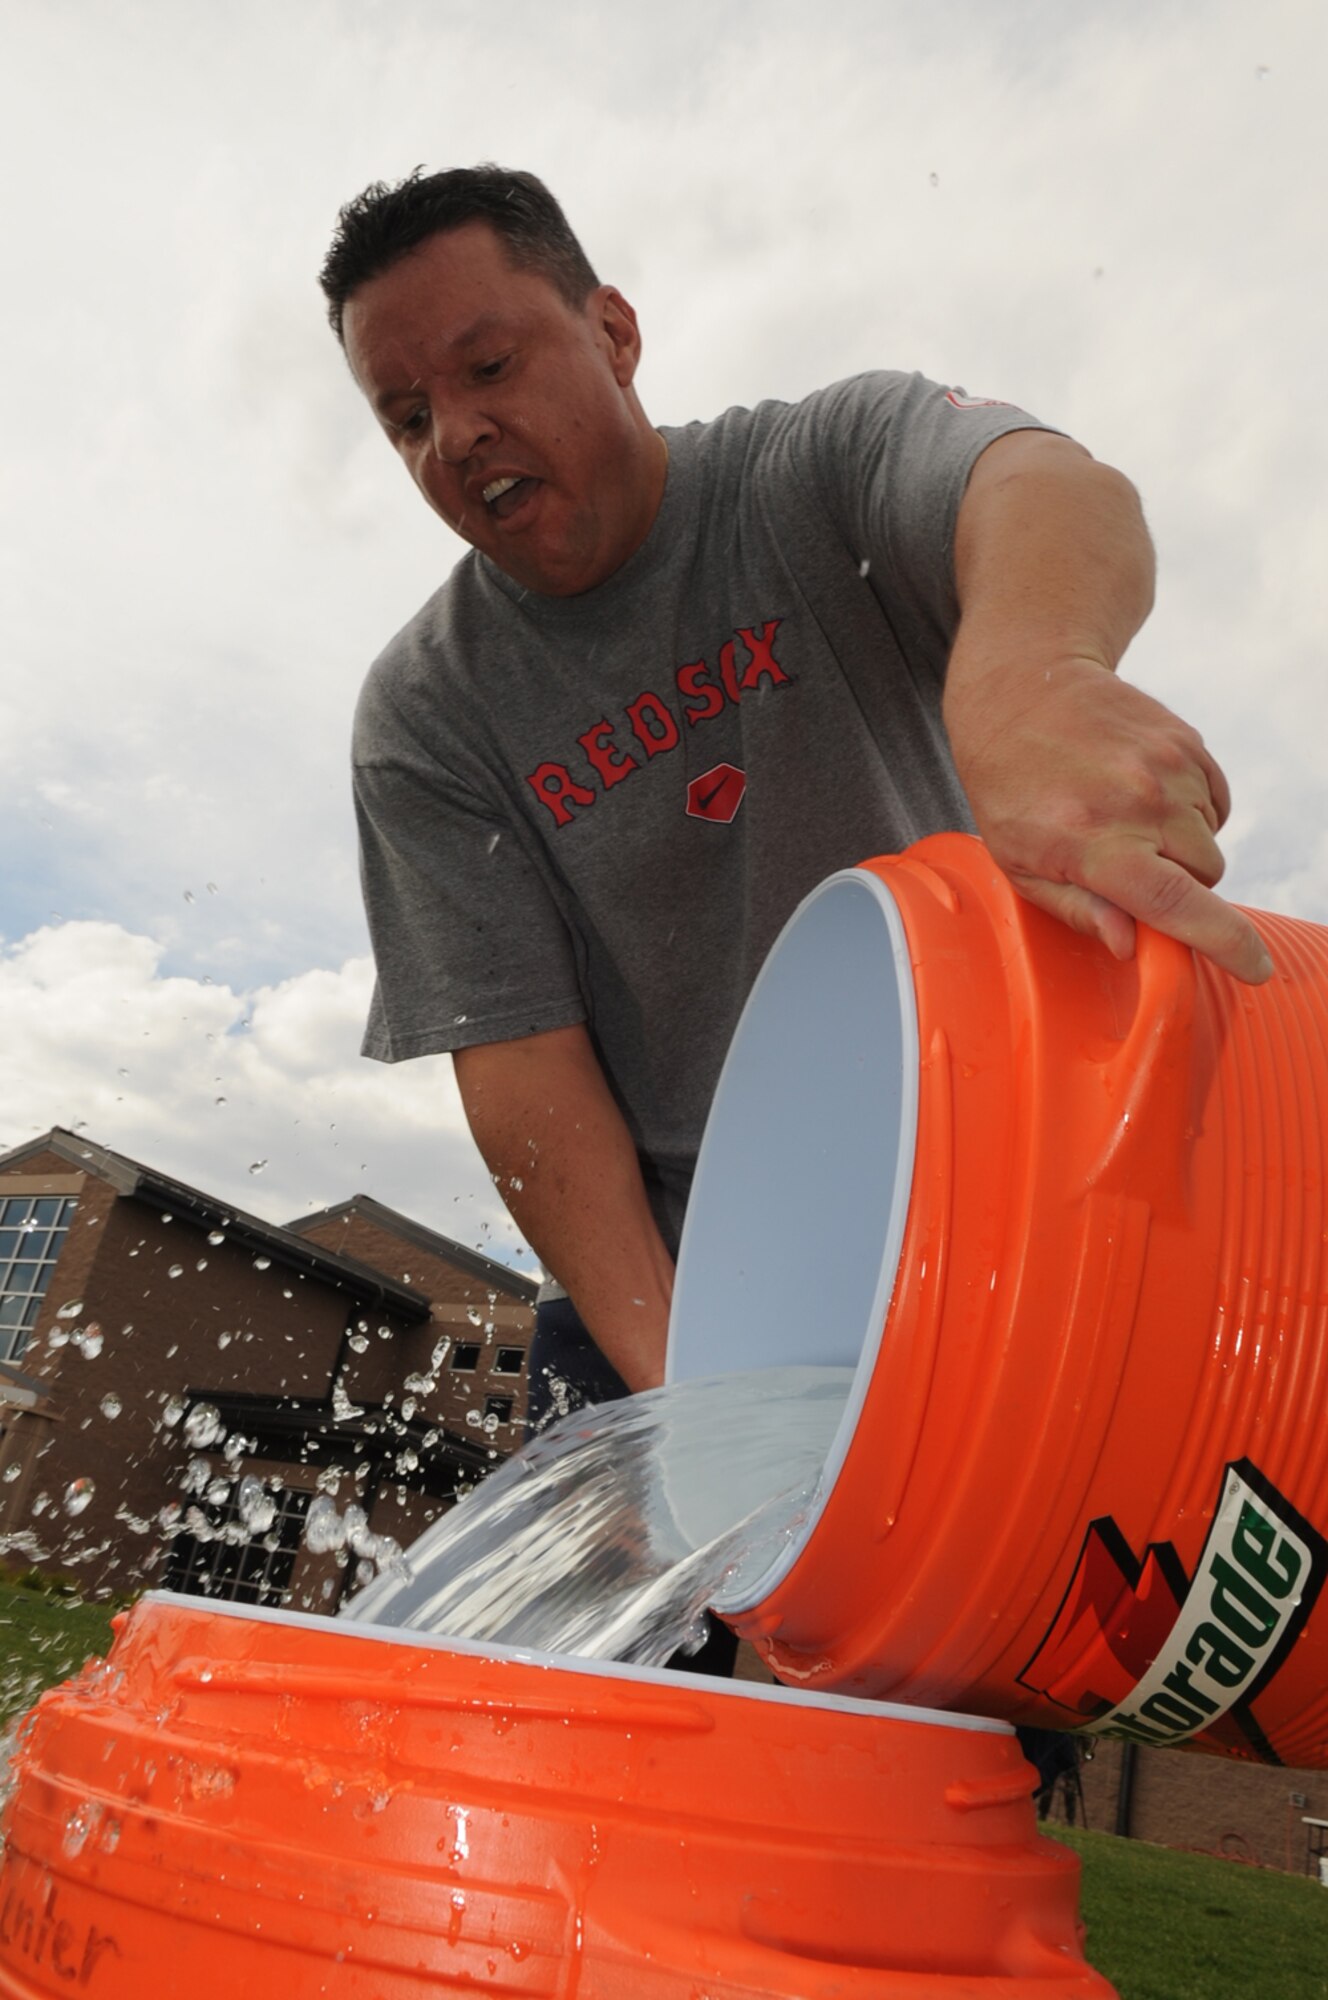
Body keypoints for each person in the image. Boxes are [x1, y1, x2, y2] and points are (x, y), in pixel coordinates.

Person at [320, 164, 1270, 1436]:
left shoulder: (806, 473)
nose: (456, 435)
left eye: (487, 368)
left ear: (612, 331)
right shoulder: (425, 714)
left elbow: (1051, 488)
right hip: (672, 1264)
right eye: (405, 416)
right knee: (613, 1627)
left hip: (994, 1184)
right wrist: (683, 1390)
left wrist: (1029, 674)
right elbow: (523, 1072)